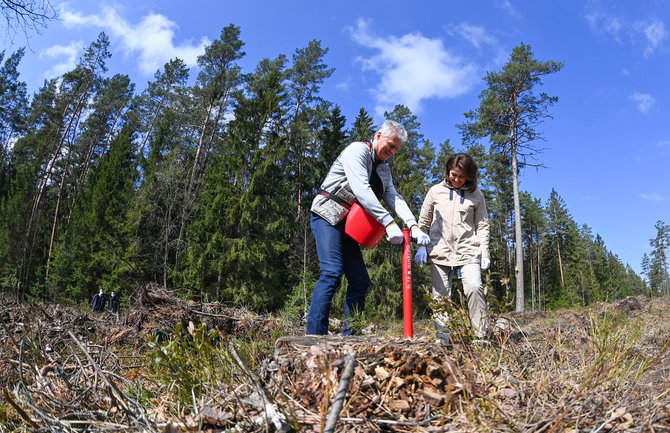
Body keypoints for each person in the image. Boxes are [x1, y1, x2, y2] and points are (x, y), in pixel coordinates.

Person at [308, 119, 430, 335]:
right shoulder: (357, 151)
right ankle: (315, 335)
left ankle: (351, 336)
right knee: (332, 272)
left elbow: (394, 196)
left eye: (396, 149)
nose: (392, 151)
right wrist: (389, 222)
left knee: (360, 281)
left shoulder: (384, 170)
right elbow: (362, 189)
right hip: (327, 214)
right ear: (378, 135)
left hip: (348, 225)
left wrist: (413, 225)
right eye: (390, 145)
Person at [414, 153, 490, 344]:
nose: (456, 179)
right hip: (439, 250)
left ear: (469, 176)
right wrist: (421, 246)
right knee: (440, 296)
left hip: (468, 249)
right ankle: (443, 339)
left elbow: (482, 225)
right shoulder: (435, 191)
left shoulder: (476, 195)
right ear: (447, 172)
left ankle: (479, 337)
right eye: (453, 174)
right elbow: (423, 222)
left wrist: (485, 252)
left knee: (474, 287)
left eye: (461, 176)